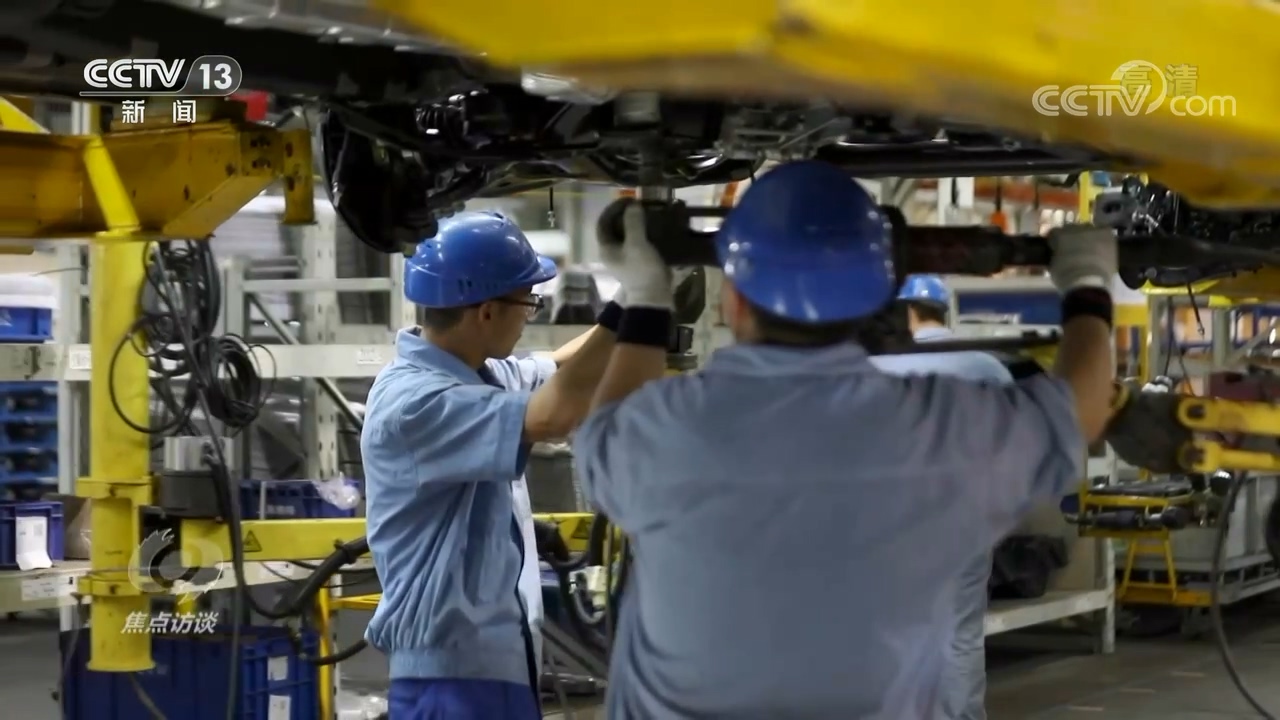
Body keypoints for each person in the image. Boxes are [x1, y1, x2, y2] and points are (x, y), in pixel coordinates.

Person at [570, 160, 1117, 719]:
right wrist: (1088, 286)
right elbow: (1081, 413)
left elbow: (609, 421)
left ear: (732, 300)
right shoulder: (945, 427)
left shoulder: (665, 428)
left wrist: (646, 298)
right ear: (877, 298)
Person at [361, 211, 665, 720]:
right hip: (450, 679)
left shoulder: (480, 374)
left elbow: (564, 367)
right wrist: (645, 299)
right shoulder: (415, 402)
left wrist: (633, 299)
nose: (530, 315)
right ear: (486, 312)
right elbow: (553, 415)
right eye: (528, 302)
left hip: (490, 666)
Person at [870, 274, 1015, 720]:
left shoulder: (876, 366)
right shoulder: (985, 366)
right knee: (960, 632)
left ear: (904, 312)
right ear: (942, 311)